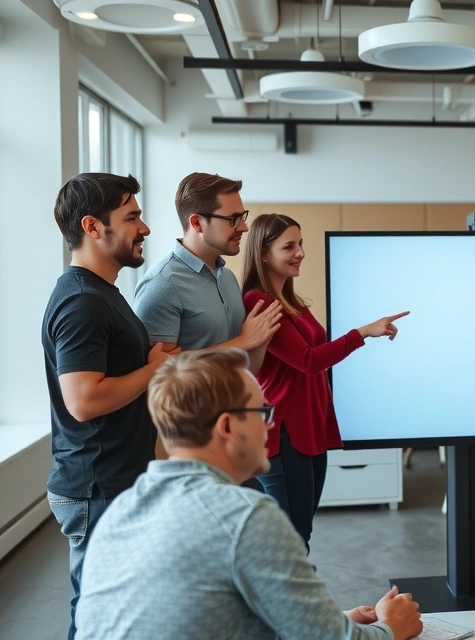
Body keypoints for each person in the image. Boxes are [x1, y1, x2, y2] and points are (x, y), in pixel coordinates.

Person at [75, 349, 423, 640]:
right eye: (262, 412)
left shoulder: (120, 511)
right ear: (227, 426)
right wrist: (390, 627)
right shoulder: (244, 516)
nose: (269, 425)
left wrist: (331, 619)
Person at [42, 173, 179, 639]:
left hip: (114, 480)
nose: (145, 228)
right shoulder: (83, 301)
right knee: (98, 616)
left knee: (119, 611)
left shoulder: (101, 293)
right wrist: (155, 369)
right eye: (132, 217)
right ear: (93, 226)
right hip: (98, 487)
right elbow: (83, 400)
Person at [240, 213, 410, 548]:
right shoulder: (258, 301)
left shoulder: (292, 302)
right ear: (263, 253)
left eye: (300, 243)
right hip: (285, 433)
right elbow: (308, 361)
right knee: (291, 539)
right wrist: (363, 332)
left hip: (308, 428)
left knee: (301, 533)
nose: (300, 252)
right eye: (289, 246)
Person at [133, 172, 281, 482]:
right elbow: (160, 378)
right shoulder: (162, 286)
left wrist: (261, 338)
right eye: (233, 219)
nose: (244, 227)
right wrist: (242, 341)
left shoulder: (227, 278)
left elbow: (242, 367)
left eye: (243, 216)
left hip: (234, 436)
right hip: (191, 451)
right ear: (197, 223)